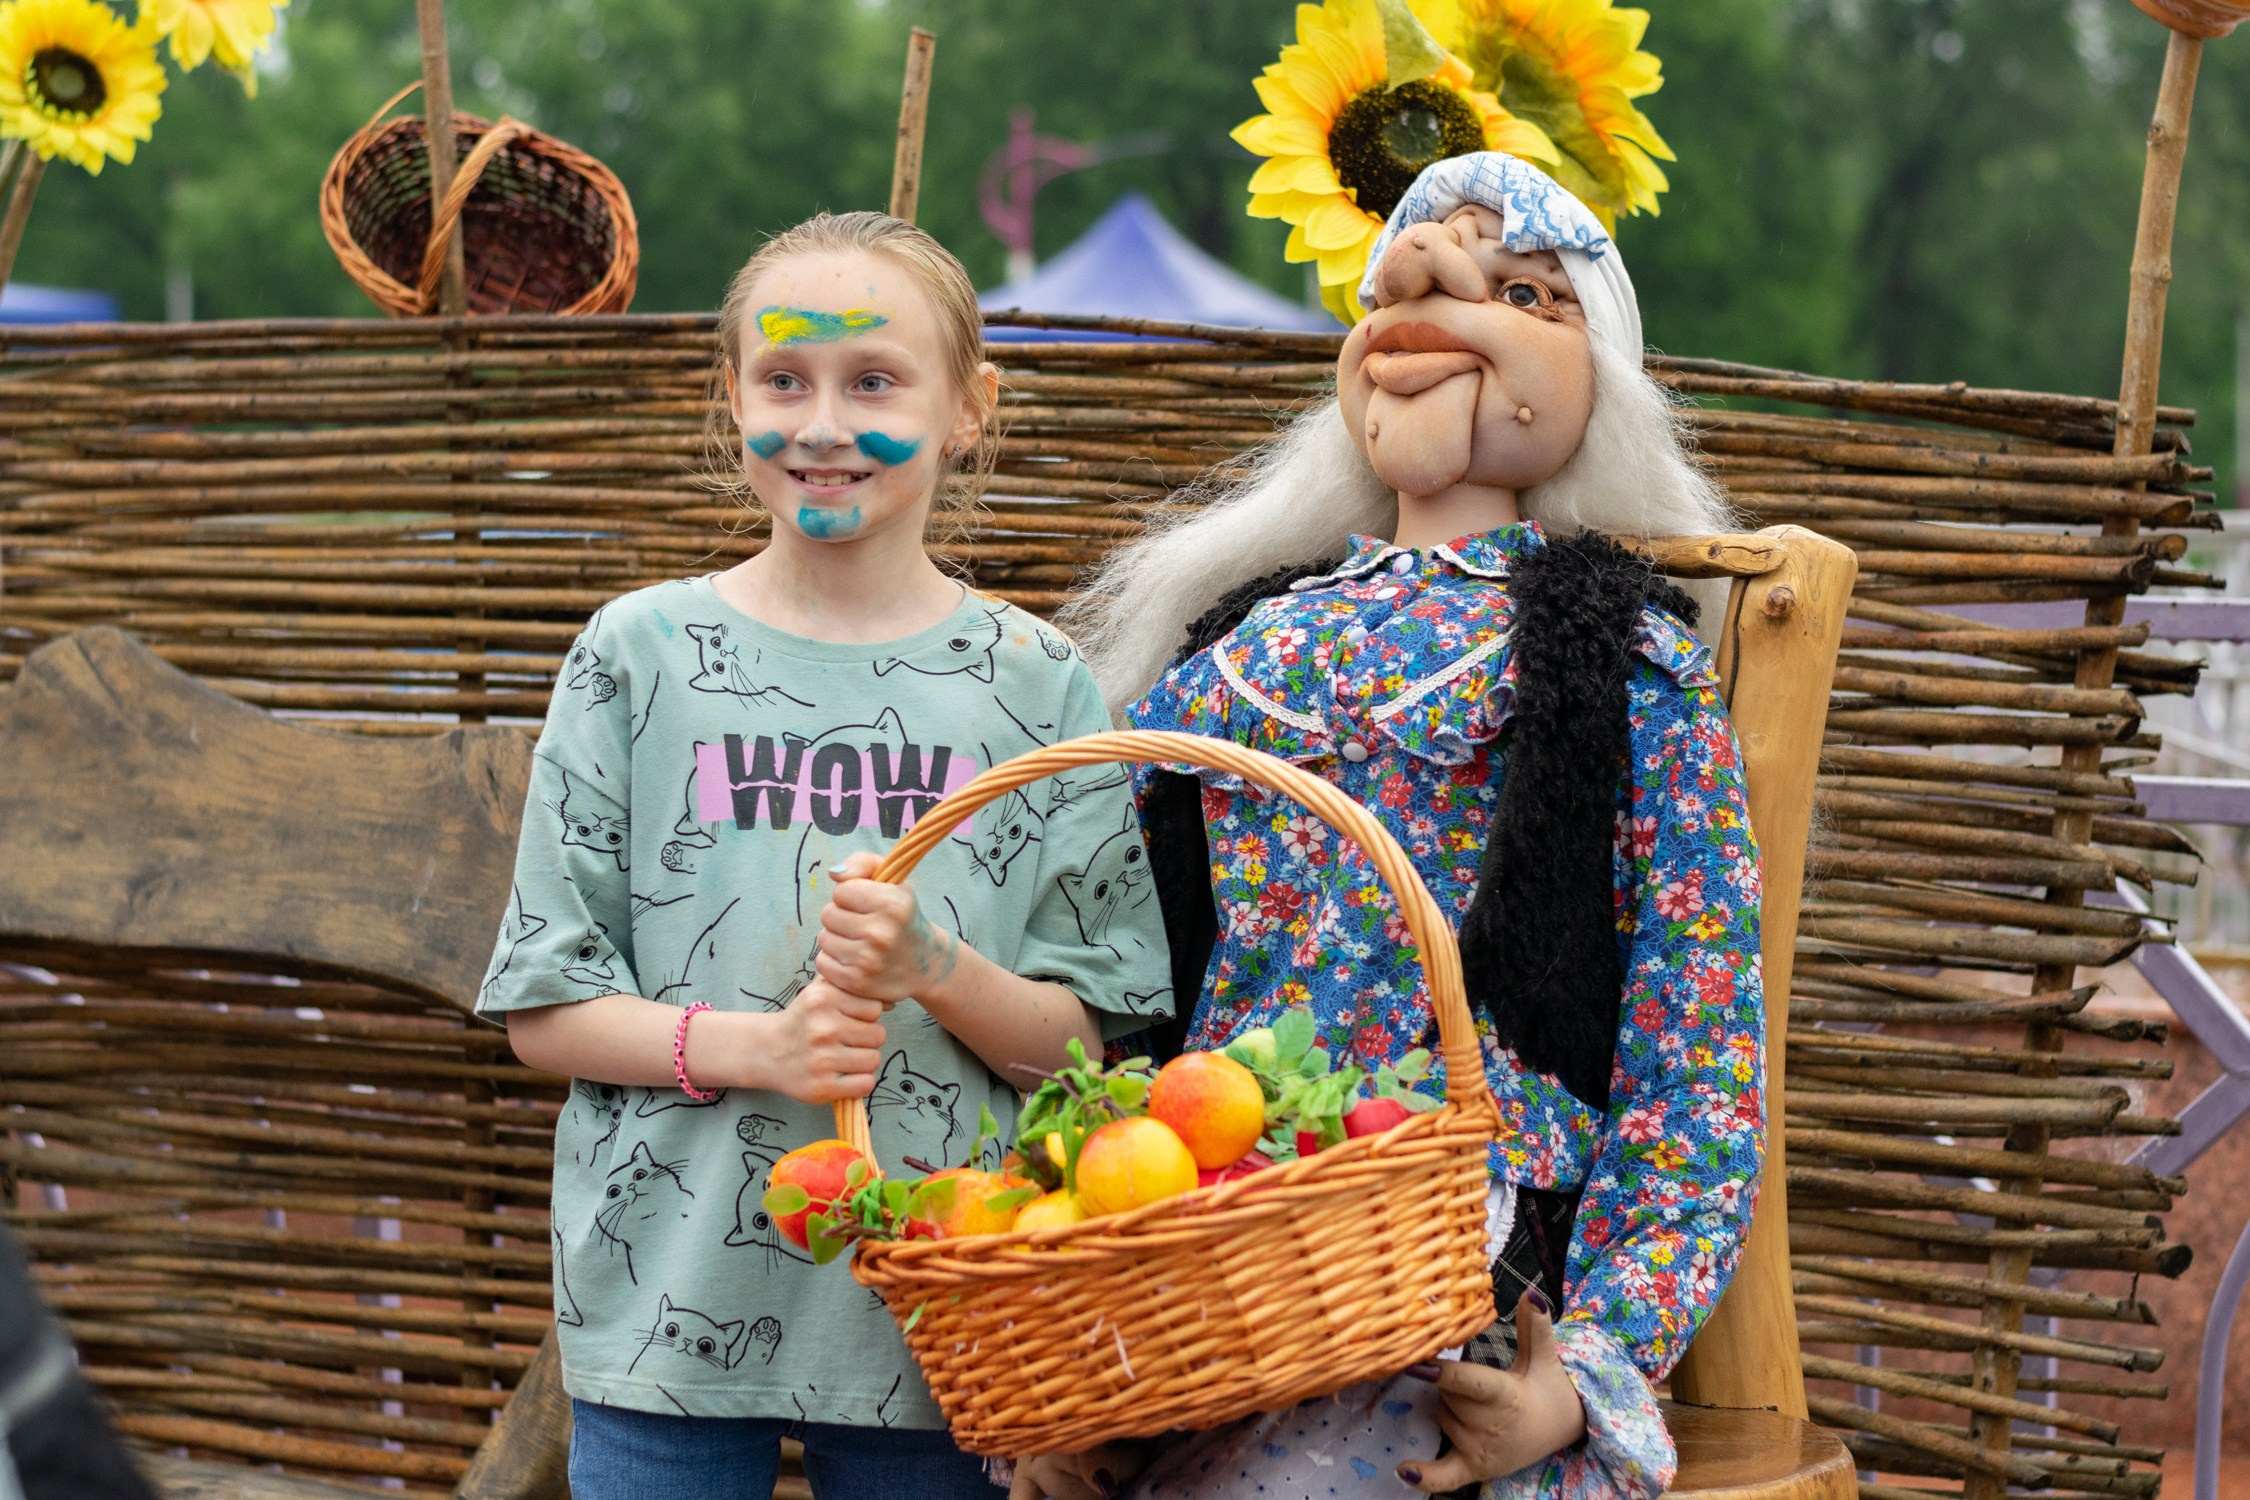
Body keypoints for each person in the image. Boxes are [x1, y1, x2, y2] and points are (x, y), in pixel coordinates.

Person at [1037, 154, 1766, 1500]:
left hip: (1454, 1254)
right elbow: (1106, 979)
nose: (1428, 306)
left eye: (1519, 291)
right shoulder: (1235, 646)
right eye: (1397, 287)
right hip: (1203, 1244)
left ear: (1596, 368)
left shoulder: (1611, 670)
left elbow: (1695, 1059)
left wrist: (1585, 1372)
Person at [478, 210, 1172, 1500]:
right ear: (729, 395)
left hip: (944, 1316)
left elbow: (1093, 1054)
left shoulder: (1035, 684)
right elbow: (546, 1006)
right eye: (782, 379)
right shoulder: (637, 659)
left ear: (969, 409)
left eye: (874, 382)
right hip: (664, 1307)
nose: (821, 425)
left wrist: (936, 966)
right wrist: (760, 1051)